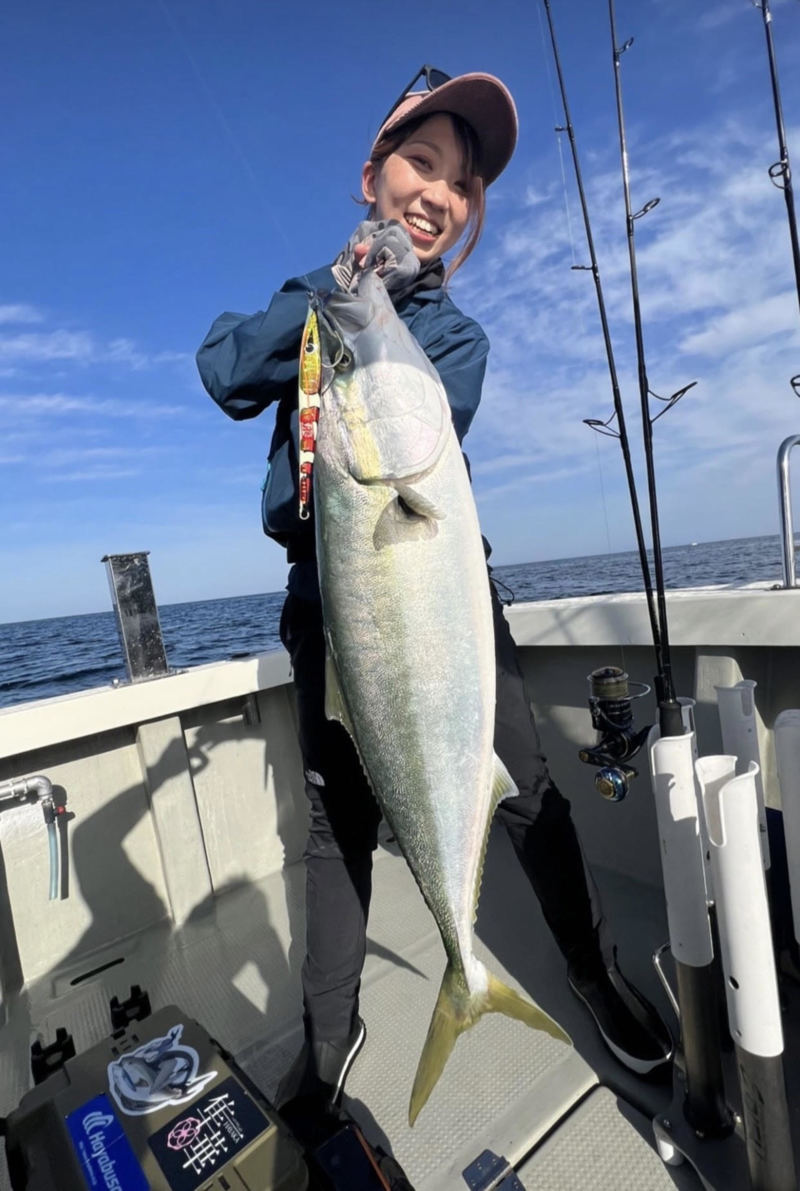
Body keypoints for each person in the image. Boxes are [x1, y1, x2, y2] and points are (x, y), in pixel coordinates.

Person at [196, 67, 673, 1115]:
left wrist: (386, 305)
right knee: (333, 830)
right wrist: (333, 291)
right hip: (327, 603)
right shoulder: (310, 300)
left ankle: (587, 976)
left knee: (526, 790)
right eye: (420, 160)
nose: (437, 192)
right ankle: (328, 1045)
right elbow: (226, 368)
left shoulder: (455, 339)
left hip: (436, 599)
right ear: (370, 176)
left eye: (462, 183)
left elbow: (415, 421)